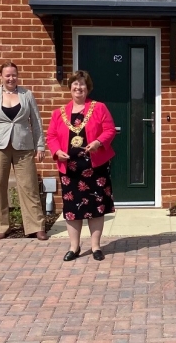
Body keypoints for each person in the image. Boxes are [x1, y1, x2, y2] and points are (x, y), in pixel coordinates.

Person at [46, 70, 116, 261]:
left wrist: (98, 142)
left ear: (88, 88)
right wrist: (56, 151)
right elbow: (51, 137)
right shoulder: (58, 113)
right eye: (75, 85)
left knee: (96, 207)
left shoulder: (99, 107)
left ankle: (95, 247)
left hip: (96, 167)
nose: (79, 88)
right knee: (72, 208)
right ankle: (74, 247)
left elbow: (110, 129)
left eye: (82, 85)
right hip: (70, 169)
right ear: (70, 88)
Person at [0, 61, 48, 241]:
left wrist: (40, 146)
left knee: (29, 186)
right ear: (1, 76)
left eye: (14, 75)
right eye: (7, 75)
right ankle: (1, 227)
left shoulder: (27, 95)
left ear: (17, 76)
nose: (11, 78)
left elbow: (36, 122)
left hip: (23, 145)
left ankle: (36, 226)